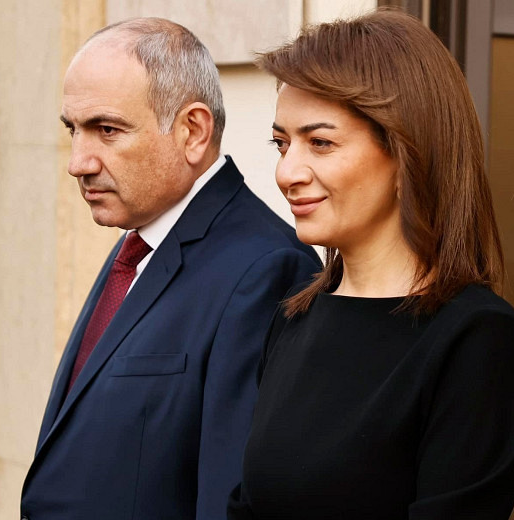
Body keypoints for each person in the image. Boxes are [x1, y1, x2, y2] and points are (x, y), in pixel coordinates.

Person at [227, 9, 514, 520]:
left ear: (406, 153)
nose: (287, 172)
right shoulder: (294, 318)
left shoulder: (476, 340)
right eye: (281, 143)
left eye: (321, 142)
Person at [19, 17, 320, 520]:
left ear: (193, 131)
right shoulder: (142, 237)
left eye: (107, 130)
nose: (78, 162)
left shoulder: (265, 269)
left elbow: (229, 500)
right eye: (74, 130)